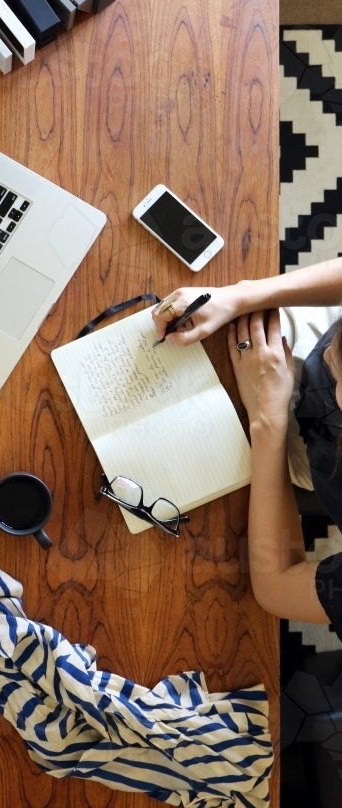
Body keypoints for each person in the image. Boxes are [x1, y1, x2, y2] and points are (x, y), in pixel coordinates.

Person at [151, 260, 342, 638]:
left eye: (337, 361)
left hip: (315, 456)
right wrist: (236, 295)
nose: (328, 354)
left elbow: (278, 589)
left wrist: (267, 421)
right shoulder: (329, 353)